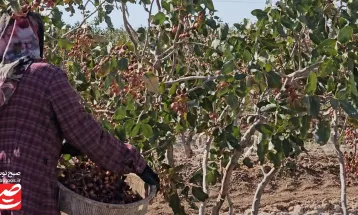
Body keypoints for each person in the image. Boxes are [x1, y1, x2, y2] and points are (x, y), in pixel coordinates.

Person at [0, 6, 159, 215]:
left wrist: (60, 144)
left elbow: (16, 134)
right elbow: (86, 133)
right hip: (27, 186)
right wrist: (136, 163)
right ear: (35, 39)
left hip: (7, 185)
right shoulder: (46, 76)